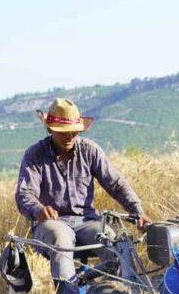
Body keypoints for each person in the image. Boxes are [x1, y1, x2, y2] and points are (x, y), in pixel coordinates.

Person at [15, 97, 151, 284]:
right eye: (64, 132)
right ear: (50, 129)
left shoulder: (90, 151)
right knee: (60, 238)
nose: (69, 137)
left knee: (116, 243)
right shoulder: (35, 155)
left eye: (74, 132)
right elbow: (24, 194)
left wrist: (137, 211)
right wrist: (39, 209)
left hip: (86, 221)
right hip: (52, 223)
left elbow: (116, 184)